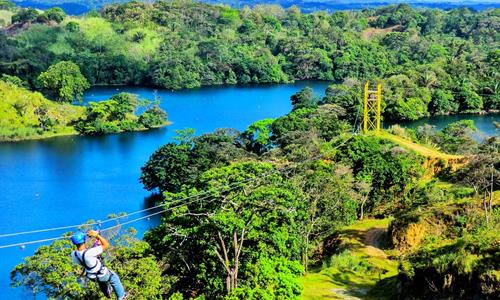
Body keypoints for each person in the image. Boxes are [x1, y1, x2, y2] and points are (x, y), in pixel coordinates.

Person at [71, 230, 128, 299]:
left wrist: (96, 244)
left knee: (101, 282)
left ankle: (107, 293)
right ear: (84, 240)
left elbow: (85, 254)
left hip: (91, 276)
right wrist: (96, 235)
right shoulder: (89, 253)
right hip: (102, 274)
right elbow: (106, 245)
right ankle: (122, 296)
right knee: (114, 278)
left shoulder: (74, 254)